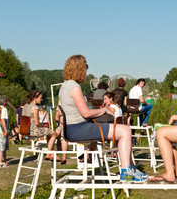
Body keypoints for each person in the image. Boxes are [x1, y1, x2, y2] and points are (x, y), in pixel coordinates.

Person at [58, 54, 147, 182]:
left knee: (122, 130)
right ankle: (127, 172)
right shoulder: (74, 87)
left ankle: (130, 169)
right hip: (78, 129)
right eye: (85, 67)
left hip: (73, 128)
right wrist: (104, 110)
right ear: (80, 68)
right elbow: (86, 113)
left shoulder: (65, 86)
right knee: (125, 131)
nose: (86, 70)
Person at [22, 90, 62, 160]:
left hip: (25, 130)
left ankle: (52, 153)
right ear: (35, 98)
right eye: (40, 98)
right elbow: (37, 123)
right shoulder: (35, 107)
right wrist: (44, 126)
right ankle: (49, 153)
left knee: (49, 133)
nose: (42, 99)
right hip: (34, 131)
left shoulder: (25, 106)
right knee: (54, 133)